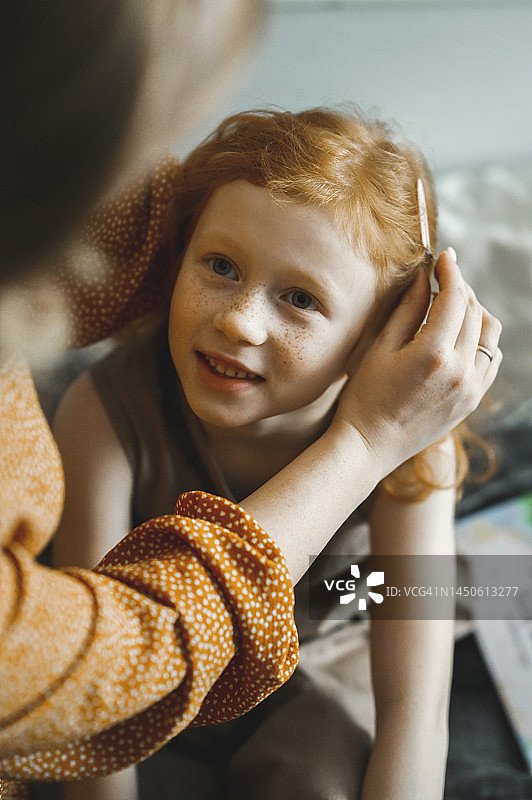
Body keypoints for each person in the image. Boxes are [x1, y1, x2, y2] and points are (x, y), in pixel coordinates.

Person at [0, 3, 502, 800]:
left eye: (300, 299)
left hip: (323, 636)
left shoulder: (414, 446)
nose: (237, 320)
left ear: (381, 335)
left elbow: (418, 715)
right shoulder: (107, 412)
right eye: (221, 266)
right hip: (134, 675)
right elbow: (95, 708)